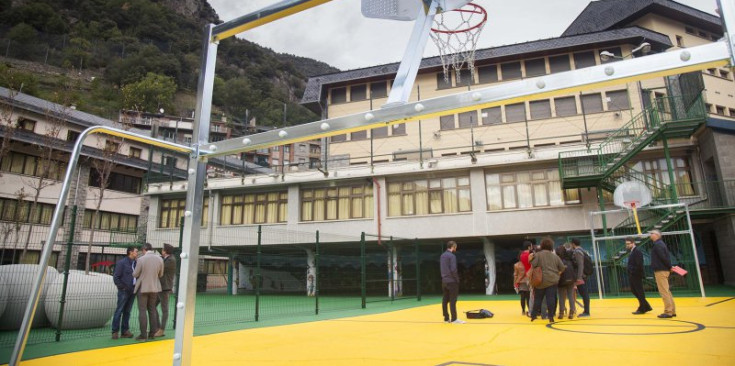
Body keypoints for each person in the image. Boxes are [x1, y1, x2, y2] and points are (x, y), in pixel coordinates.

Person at [133, 242, 164, 341]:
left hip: (143, 288)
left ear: (144, 250)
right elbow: (161, 274)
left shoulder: (141, 259)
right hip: (154, 288)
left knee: (142, 310)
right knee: (152, 310)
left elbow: (135, 274)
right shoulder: (160, 259)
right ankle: (152, 333)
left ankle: (143, 335)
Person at [530, 238, 565, 323]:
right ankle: (551, 316)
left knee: (538, 298)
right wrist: (557, 274)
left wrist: (531, 258)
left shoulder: (538, 255)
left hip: (540, 280)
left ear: (542, 246)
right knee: (551, 298)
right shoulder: (555, 256)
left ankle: (534, 315)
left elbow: (533, 265)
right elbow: (562, 268)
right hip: (552, 280)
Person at [111, 246, 138, 340]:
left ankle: (125, 331)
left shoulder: (136, 263)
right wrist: (122, 287)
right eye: (136, 251)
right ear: (130, 252)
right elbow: (116, 277)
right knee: (119, 310)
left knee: (127, 311)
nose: (137, 253)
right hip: (124, 291)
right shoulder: (122, 263)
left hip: (133, 290)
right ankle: (115, 331)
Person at [650, 230, 676, 318]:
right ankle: (672, 310)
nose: (650, 234)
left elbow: (663, 257)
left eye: (652, 233)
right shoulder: (660, 244)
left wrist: (670, 266)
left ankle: (668, 311)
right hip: (663, 269)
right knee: (667, 291)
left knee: (664, 291)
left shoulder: (658, 245)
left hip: (661, 270)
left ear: (657, 235)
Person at [626, 237, 652, 315]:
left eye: (628, 244)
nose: (627, 245)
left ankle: (643, 307)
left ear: (633, 243)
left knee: (639, 291)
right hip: (633, 274)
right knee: (635, 290)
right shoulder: (632, 251)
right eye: (626, 244)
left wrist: (632, 270)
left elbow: (639, 264)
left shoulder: (637, 252)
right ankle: (645, 306)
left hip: (636, 274)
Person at [440, 240, 464, 324]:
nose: (456, 249)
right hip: (452, 281)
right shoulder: (452, 256)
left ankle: (446, 318)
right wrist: (457, 279)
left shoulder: (442, 255)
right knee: (453, 300)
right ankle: (454, 319)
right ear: (453, 246)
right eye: (455, 247)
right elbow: (453, 269)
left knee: (445, 300)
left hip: (444, 281)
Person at [156, 243, 177, 337]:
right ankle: (157, 327)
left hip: (165, 287)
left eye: (162, 249)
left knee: (164, 309)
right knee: (151, 306)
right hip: (160, 286)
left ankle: (161, 329)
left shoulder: (171, 260)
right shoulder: (166, 258)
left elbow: (160, 268)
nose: (161, 251)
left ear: (165, 251)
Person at [571, 238, 591, 317]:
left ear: (573, 244)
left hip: (581, 276)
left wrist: (579, 277)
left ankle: (587, 311)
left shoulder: (577, 252)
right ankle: (586, 310)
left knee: (584, 293)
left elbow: (580, 265)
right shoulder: (583, 251)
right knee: (584, 293)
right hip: (584, 275)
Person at [555, 245, 576, 319]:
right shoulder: (570, 259)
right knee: (571, 296)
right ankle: (572, 312)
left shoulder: (558, 261)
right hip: (571, 279)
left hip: (561, 281)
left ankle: (561, 313)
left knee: (561, 297)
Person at [513, 251, 530, 316]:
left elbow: (515, 275)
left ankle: (523, 310)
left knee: (522, 297)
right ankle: (529, 309)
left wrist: (515, 283)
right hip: (528, 281)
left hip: (520, 282)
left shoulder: (516, 265)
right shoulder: (529, 264)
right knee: (528, 297)